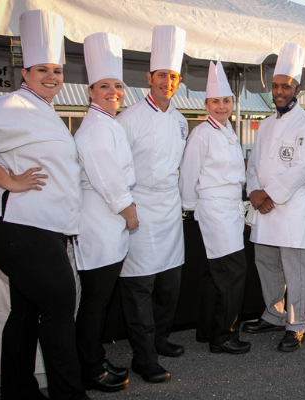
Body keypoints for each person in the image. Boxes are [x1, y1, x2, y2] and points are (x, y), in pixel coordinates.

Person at [0, 10, 87, 400]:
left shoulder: (43, 111)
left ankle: (19, 390)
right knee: (61, 303)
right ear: (25, 73)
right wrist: (9, 181)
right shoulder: (14, 104)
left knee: (29, 308)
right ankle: (69, 394)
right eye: (42, 69)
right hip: (13, 221)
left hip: (36, 223)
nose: (52, 77)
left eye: (57, 71)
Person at [115, 25, 188, 383]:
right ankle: (143, 358)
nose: (167, 82)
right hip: (140, 210)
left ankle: (160, 339)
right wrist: (125, 208)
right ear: (149, 78)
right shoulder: (128, 119)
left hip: (170, 212)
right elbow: (115, 168)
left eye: (173, 76)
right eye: (162, 75)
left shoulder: (179, 120)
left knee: (170, 285)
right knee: (140, 287)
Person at [243, 41, 305, 352]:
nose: (279, 91)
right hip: (264, 208)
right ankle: (273, 314)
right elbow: (253, 162)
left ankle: (296, 323)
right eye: (275, 86)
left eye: (285, 86)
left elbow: (301, 169)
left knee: (295, 268)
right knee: (266, 264)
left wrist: (268, 194)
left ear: (296, 89)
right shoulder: (263, 124)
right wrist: (253, 193)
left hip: (291, 207)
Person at [73, 32, 135, 392]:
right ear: (91, 92)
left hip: (107, 226)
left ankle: (93, 359)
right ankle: (91, 369)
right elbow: (108, 180)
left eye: (117, 85)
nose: (113, 91)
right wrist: (129, 213)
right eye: (105, 86)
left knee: (100, 301)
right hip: (99, 224)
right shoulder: (96, 128)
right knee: (95, 303)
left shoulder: (107, 123)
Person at [179, 61, 251, 355]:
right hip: (214, 210)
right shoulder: (202, 134)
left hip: (230, 209)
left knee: (214, 274)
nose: (221, 106)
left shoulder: (228, 129)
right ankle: (223, 336)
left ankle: (207, 328)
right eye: (216, 101)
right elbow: (188, 175)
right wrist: (192, 209)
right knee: (232, 273)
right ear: (206, 103)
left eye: (226, 101)